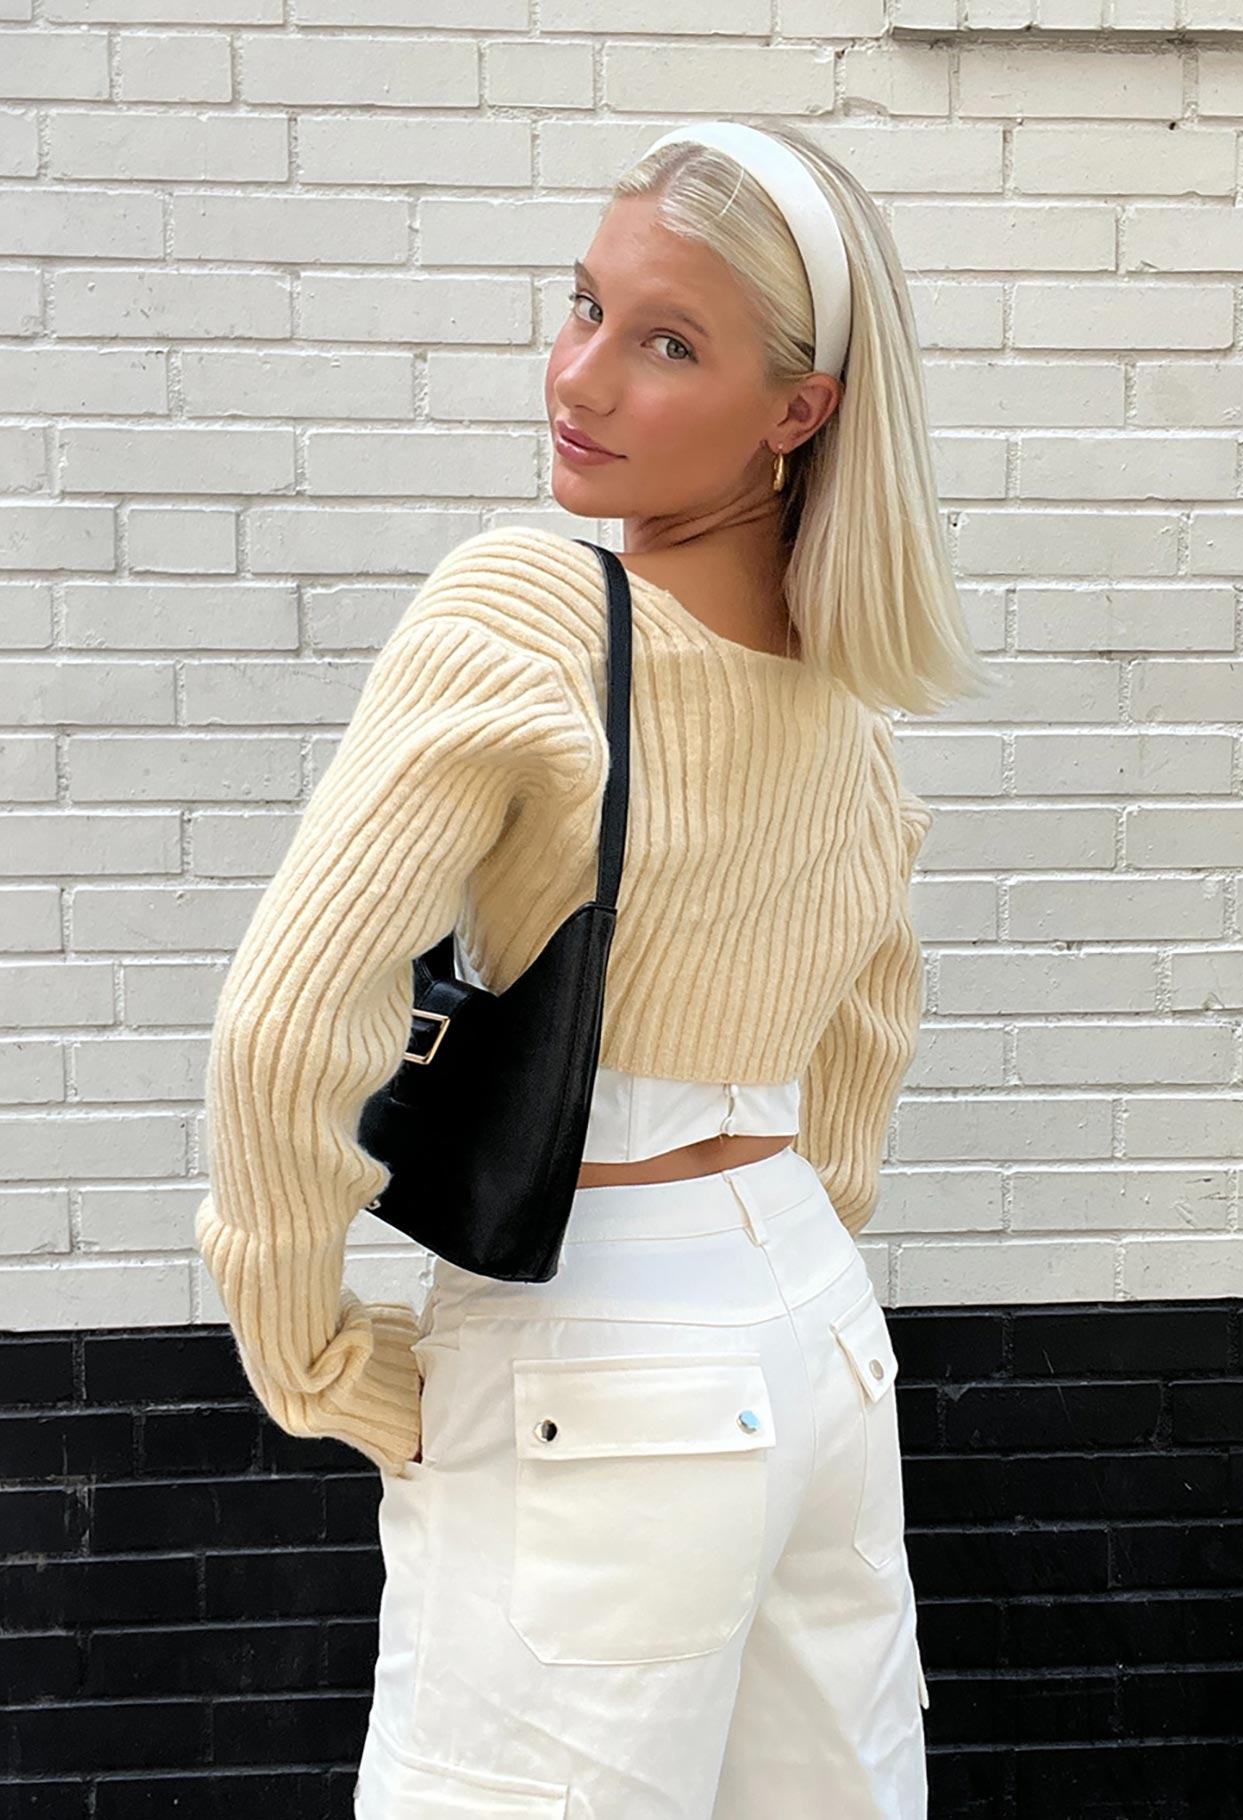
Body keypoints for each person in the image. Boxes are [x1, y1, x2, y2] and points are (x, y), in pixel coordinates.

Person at [196, 116, 991, 1820]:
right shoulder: (848, 707)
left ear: (797, 411)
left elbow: (286, 1023)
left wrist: (307, 1350)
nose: (581, 375)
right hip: (812, 1336)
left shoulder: (528, 614)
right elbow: (866, 1036)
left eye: (668, 343)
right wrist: (763, 1275)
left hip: (593, 1348)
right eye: (584, 305)